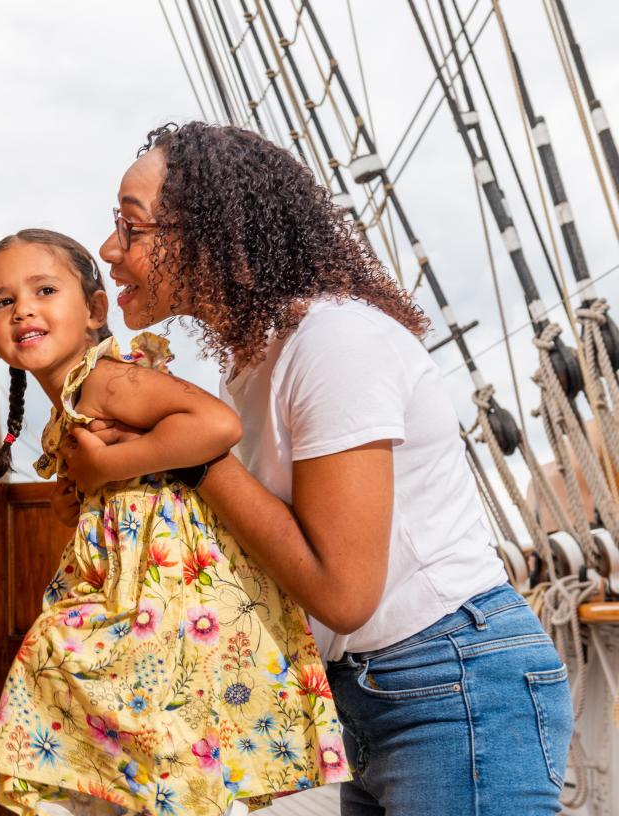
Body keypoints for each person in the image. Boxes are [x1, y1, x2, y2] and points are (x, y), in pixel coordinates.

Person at [66, 121, 574, 815]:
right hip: (365, 694)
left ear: (211, 235)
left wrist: (189, 452)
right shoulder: (255, 364)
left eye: (131, 227)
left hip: (452, 682)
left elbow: (344, 593)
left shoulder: (334, 344)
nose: (109, 250)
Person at [0, 228, 348, 816]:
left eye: (44, 289)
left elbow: (216, 424)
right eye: (3, 302)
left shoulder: (108, 379)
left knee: (48, 661)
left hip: (171, 598)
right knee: (134, 731)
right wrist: (80, 493)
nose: (23, 307)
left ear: (96, 309)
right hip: (142, 594)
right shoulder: (71, 401)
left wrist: (107, 466)